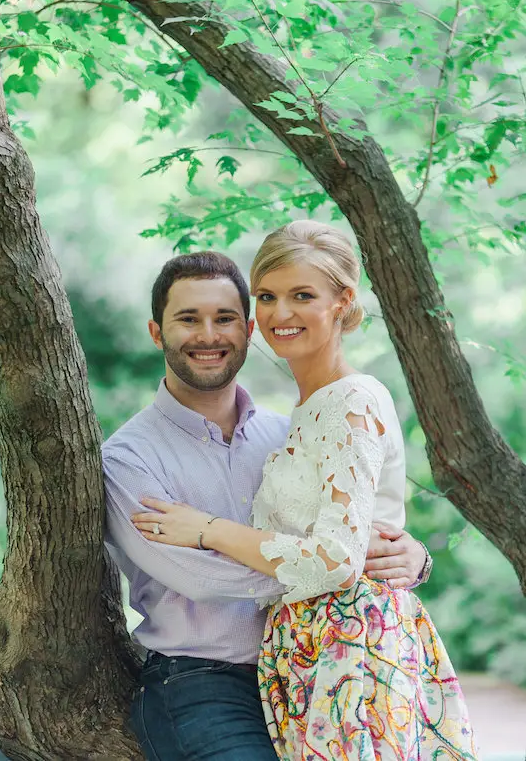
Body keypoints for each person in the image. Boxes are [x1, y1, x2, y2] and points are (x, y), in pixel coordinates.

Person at [131, 223, 478, 759]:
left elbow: (337, 559)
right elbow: (337, 543)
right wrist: (368, 554)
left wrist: (206, 530)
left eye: (302, 296)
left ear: (343, 302)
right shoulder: (296, 419)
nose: (281, 314)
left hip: (350, 649)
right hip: (283, 658)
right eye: (268, 297)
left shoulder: (350, 402)